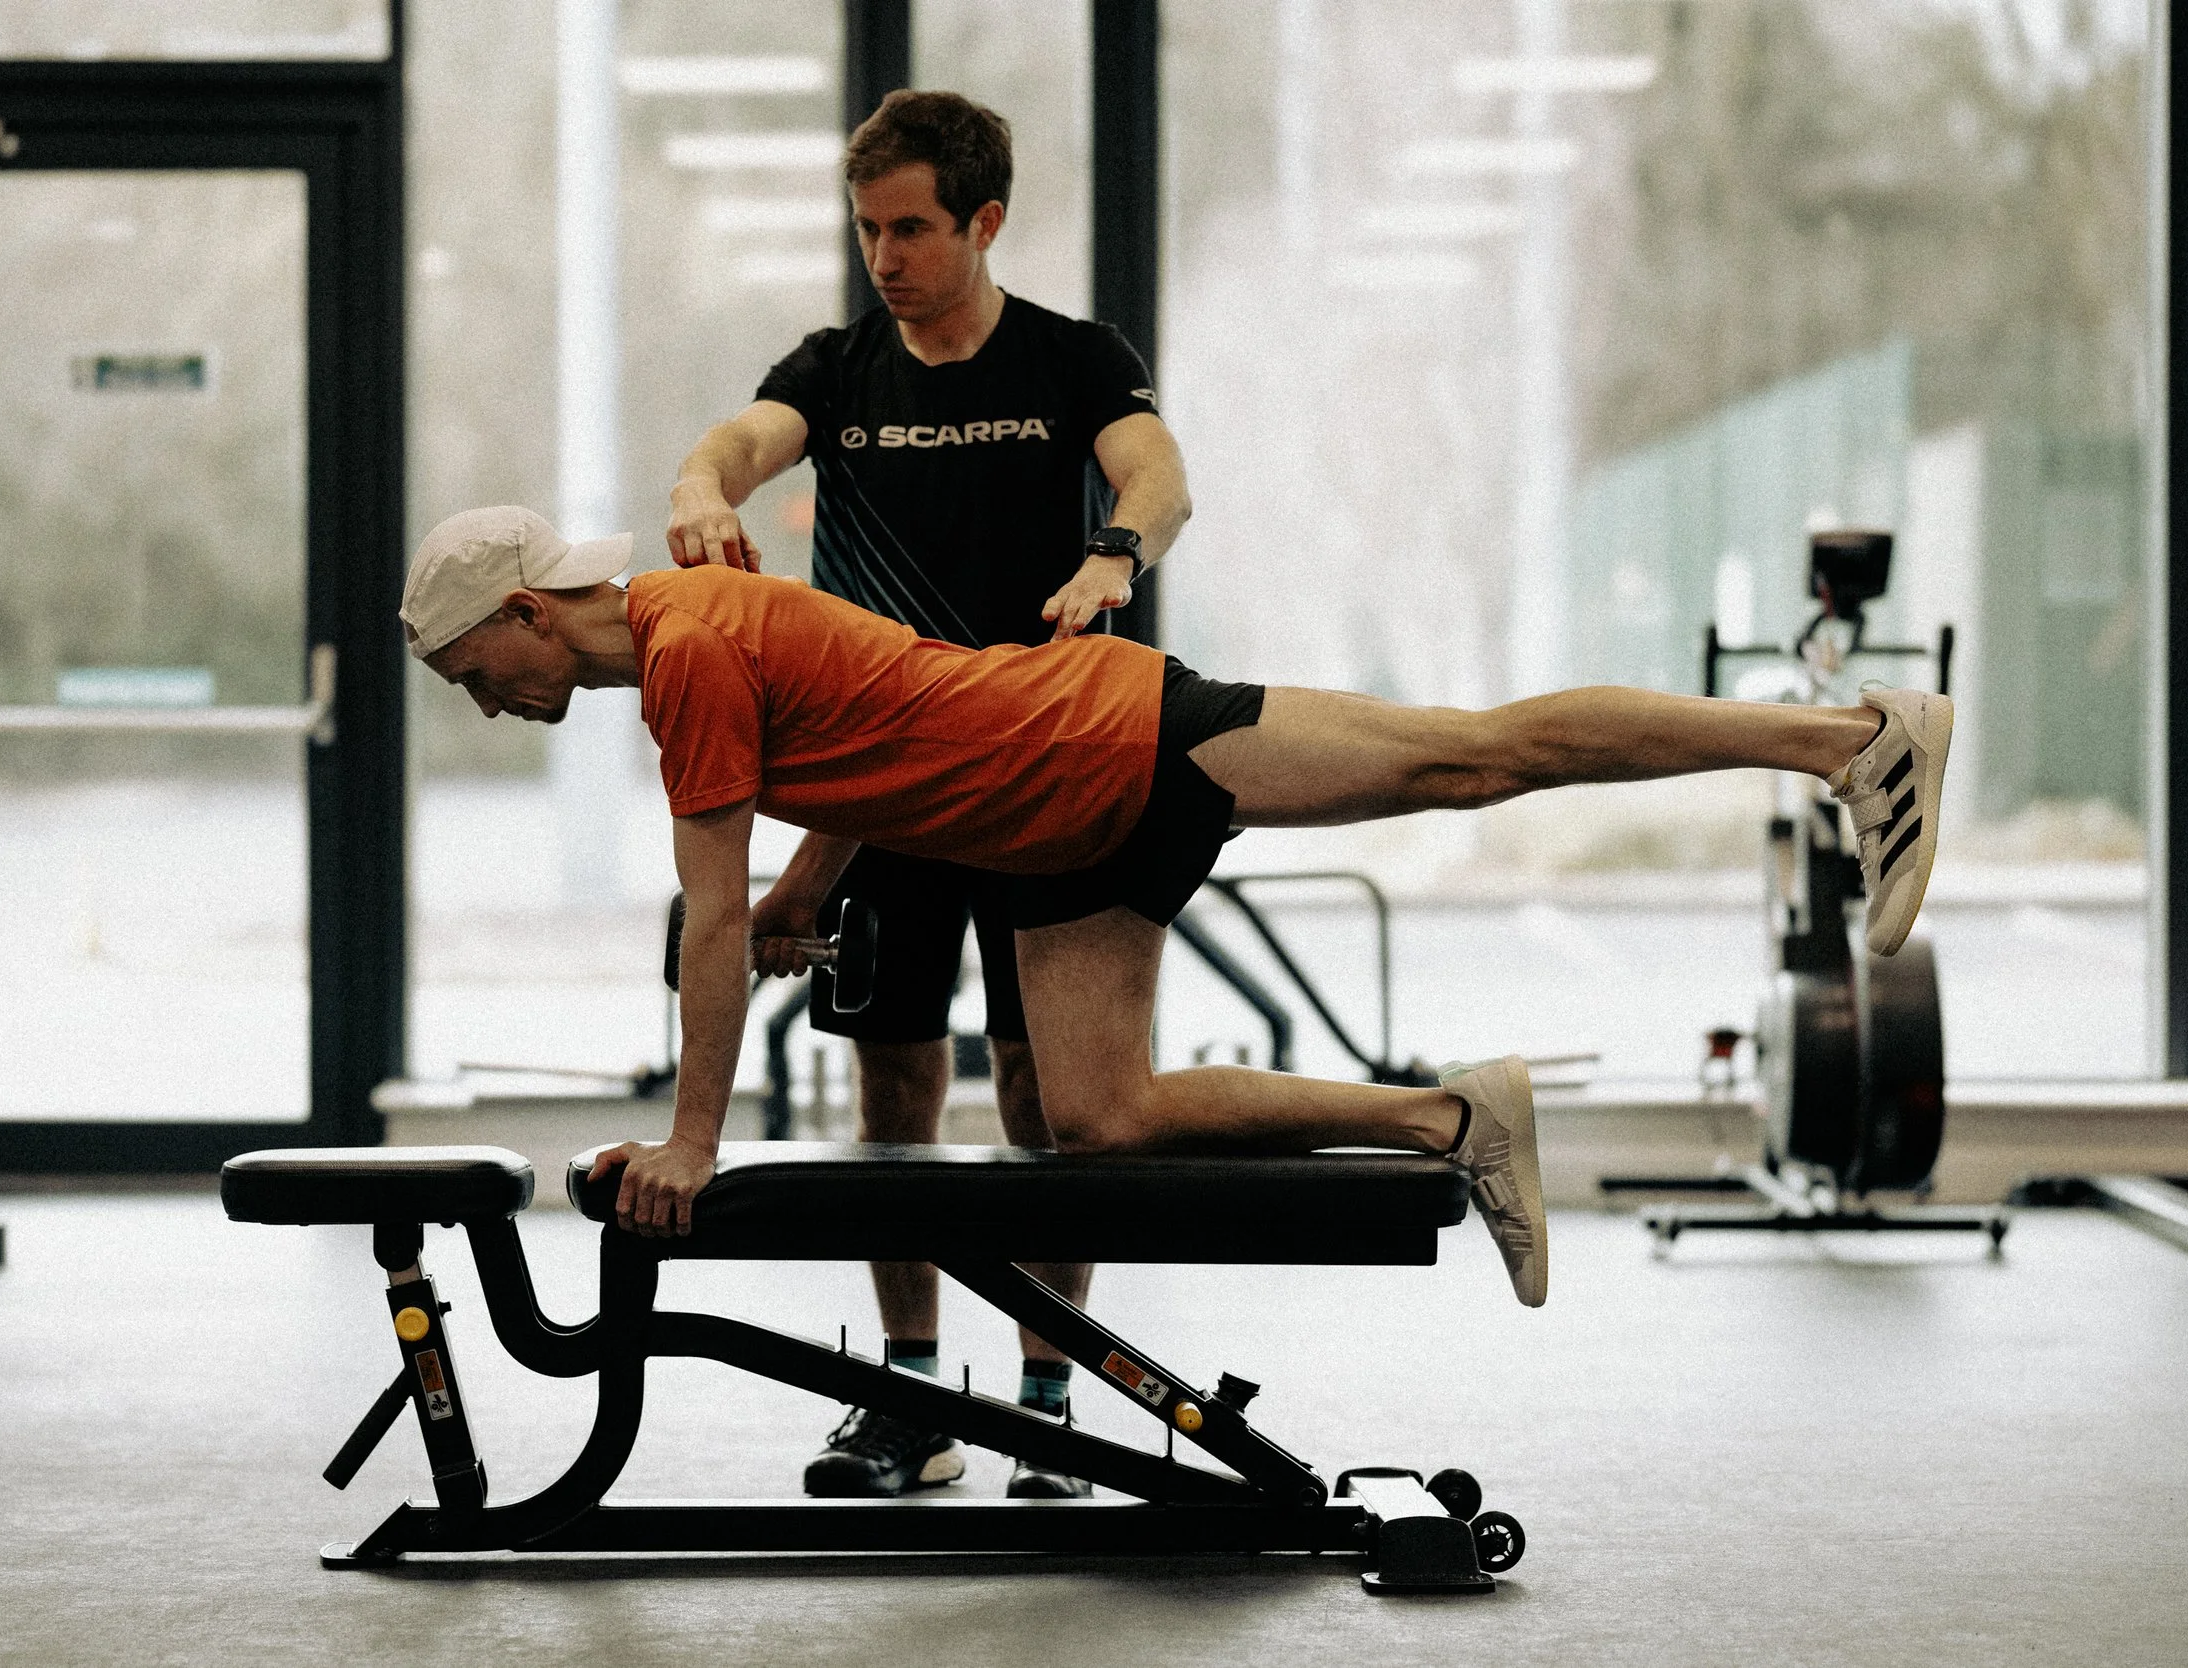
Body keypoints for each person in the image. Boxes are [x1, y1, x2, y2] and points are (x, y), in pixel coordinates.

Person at [399, 507, 1955, 1331]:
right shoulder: (694, 637)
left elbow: (711, 924)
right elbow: (863, 744)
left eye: (481, 676)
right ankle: (1451, 1118)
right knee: (1104, 1119)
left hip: (1116, 737)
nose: (491, 707)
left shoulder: (681, 650)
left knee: (1470, 756)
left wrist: (693, 1144)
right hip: (1051, 841)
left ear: (531, 612)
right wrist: (819, 889)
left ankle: (1850, 742)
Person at [661, 89, 1192, 1501]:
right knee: (893, 1085)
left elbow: (1157, 473)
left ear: (985, 223)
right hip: (887, 794)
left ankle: (1047, 1399)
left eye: (911, 228)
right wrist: (703, 488)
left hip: (1047, 772)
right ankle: (908, 1401)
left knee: (1047, 1100)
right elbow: (736, 441)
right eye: (867, 228)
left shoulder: (1075, 359)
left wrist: (1113, 555)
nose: (885, 255)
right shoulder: (836, 371)